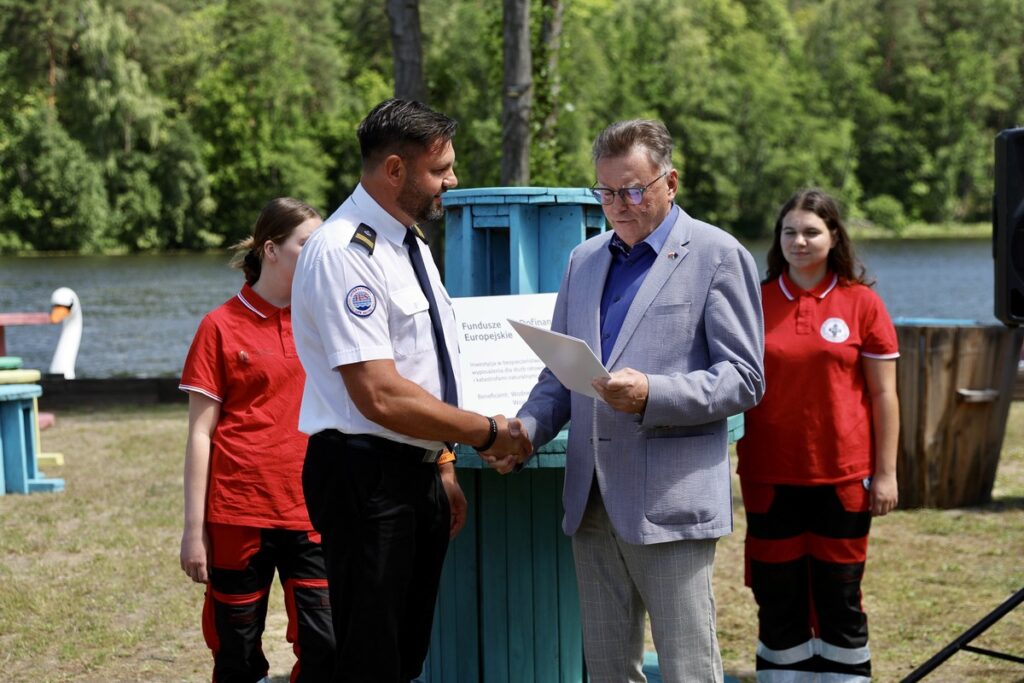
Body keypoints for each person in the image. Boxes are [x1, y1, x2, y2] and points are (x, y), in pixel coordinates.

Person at [489, 119, 765, 682]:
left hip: (669, 503)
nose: (620, 205)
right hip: (590, 500)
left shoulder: (718, 254)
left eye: (634, 190)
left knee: (689, 668)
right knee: (610, 670)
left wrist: (652, 395)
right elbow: (558, 376)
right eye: (607, 192)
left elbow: (745, 378)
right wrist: (525, 430)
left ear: (671, 183)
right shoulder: (583, 260)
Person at [290, 98, 533, 683]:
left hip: (414, 471)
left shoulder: (410, 243)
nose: (452, 180)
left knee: (404, 656)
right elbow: (380, 394)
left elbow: (426, 369)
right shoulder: (347, 253)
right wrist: (489, 432)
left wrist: (444, 465)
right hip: (367, 477)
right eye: (440, 169)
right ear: (394, 169)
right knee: (370, 659)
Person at [736, 189, 900, 681]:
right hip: (769, 474)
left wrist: (887, 474)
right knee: (776, 593)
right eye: (789, 231)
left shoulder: (862, 303)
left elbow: (884, 397)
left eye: (811, 231)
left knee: (840, 594)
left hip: (844, 476)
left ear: (833, 237)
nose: (799, 241)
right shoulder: (754, 301)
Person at [179, 197, 333, 682]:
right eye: (307, 245)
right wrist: (192, 529)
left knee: (327, 646)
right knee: (236, 654)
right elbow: (200, 434)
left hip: (313, 509)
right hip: (237, 511)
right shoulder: (219, 326)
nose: (320, 256)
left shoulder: (329, 323)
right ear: (271, 249)